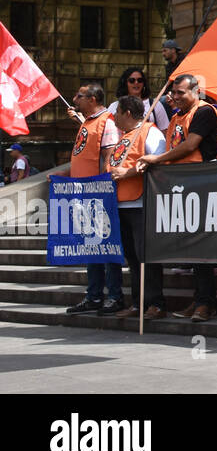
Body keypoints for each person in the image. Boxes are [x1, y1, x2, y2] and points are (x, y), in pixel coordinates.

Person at [137, 74, 217, 321]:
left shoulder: (204, 112)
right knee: (191, 248)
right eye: (173, 93)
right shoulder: (176, 116)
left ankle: (206, 302)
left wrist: (156, 159)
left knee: (202, 247)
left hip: (202, 184)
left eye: (181, 93)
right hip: (180, 187)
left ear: (196, 92)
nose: (175, 97)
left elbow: (189, 146)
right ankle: (198, 299)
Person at [63, 83, 123, 315]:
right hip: (83, 193)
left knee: (106, 248)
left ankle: (114, 296)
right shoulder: (88, 122)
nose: (75, 99)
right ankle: (94, 296)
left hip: (98, 193)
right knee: (91, 247)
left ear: (93, 99)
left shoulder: (106, 121)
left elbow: (107, 158)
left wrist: (102, 188)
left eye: (80, 95)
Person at [105, 94, 166, 319]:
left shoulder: (151, 133)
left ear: (127, 113)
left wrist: (128, 173)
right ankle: (138, 303)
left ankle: (156, 303)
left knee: (146, 256)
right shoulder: (125, 136)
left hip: (142, 203)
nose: (114, 117)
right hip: (122, 204)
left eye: (117, 113)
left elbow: (158, 163)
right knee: (132, 257)